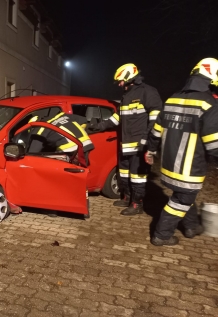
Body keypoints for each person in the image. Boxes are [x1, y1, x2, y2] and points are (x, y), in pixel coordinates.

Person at [146, 58, 218, 246]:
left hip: (168, 165)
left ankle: (192, 227)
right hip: (189, 168)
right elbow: (214, 144)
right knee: (181, 201)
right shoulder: (209, 104)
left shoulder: (172, 98)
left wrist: (151, 150)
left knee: (186, 196)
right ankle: (161, 235)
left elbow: (155, 131)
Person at [87, 63, 162, 215]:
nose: (119, 84)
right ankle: (127, 197)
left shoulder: (148, 92)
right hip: (125, 145)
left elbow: (156, 121)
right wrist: (97, 126)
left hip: (139, 146)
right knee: (124, 174)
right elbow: (116, 119)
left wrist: (146, 141)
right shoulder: (126, 96)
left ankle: (137, 204)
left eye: (121, 81)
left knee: (137, 177)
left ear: (129, 78)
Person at [27, 112, 94, 166]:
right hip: (85, 143)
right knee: (81, 170)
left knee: (66, 171)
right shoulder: (62, 115)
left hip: (71, 150)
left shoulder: (39, 130)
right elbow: (84, 122)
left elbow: (32, 153)